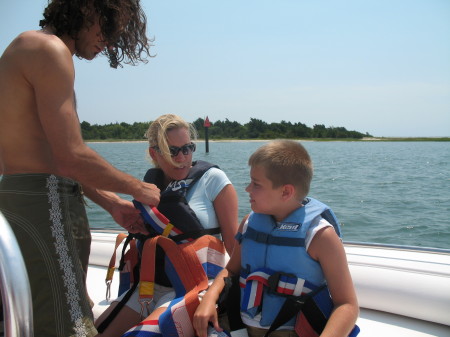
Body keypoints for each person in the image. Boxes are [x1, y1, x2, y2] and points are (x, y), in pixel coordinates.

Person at [0, 1, 161, 336]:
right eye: (111, 26)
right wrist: (138, 188)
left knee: (58, 310)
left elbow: (50, 155)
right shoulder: (49, 50)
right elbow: (70, 156)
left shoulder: (29, 46)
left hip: (30, 201)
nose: (112, 41)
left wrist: (112, 203)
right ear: (89, 9)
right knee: (69, 322)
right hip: (44, 205)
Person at [193, 140, 359, 337]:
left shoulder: (320, 236)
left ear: (286, 192)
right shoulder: (248, 223)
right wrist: (210, 298)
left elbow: (347, 305)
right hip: (240, 327)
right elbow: (231, 270)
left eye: (256, 184)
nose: (247, 189)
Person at [94, 114, 239, 337]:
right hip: (149, 286)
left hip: (194, 287)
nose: (182, 157)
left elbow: (235, 250)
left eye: (187, 148)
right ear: (155, 153)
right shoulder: (148, 187)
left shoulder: (214, 180)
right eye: (173, 151)